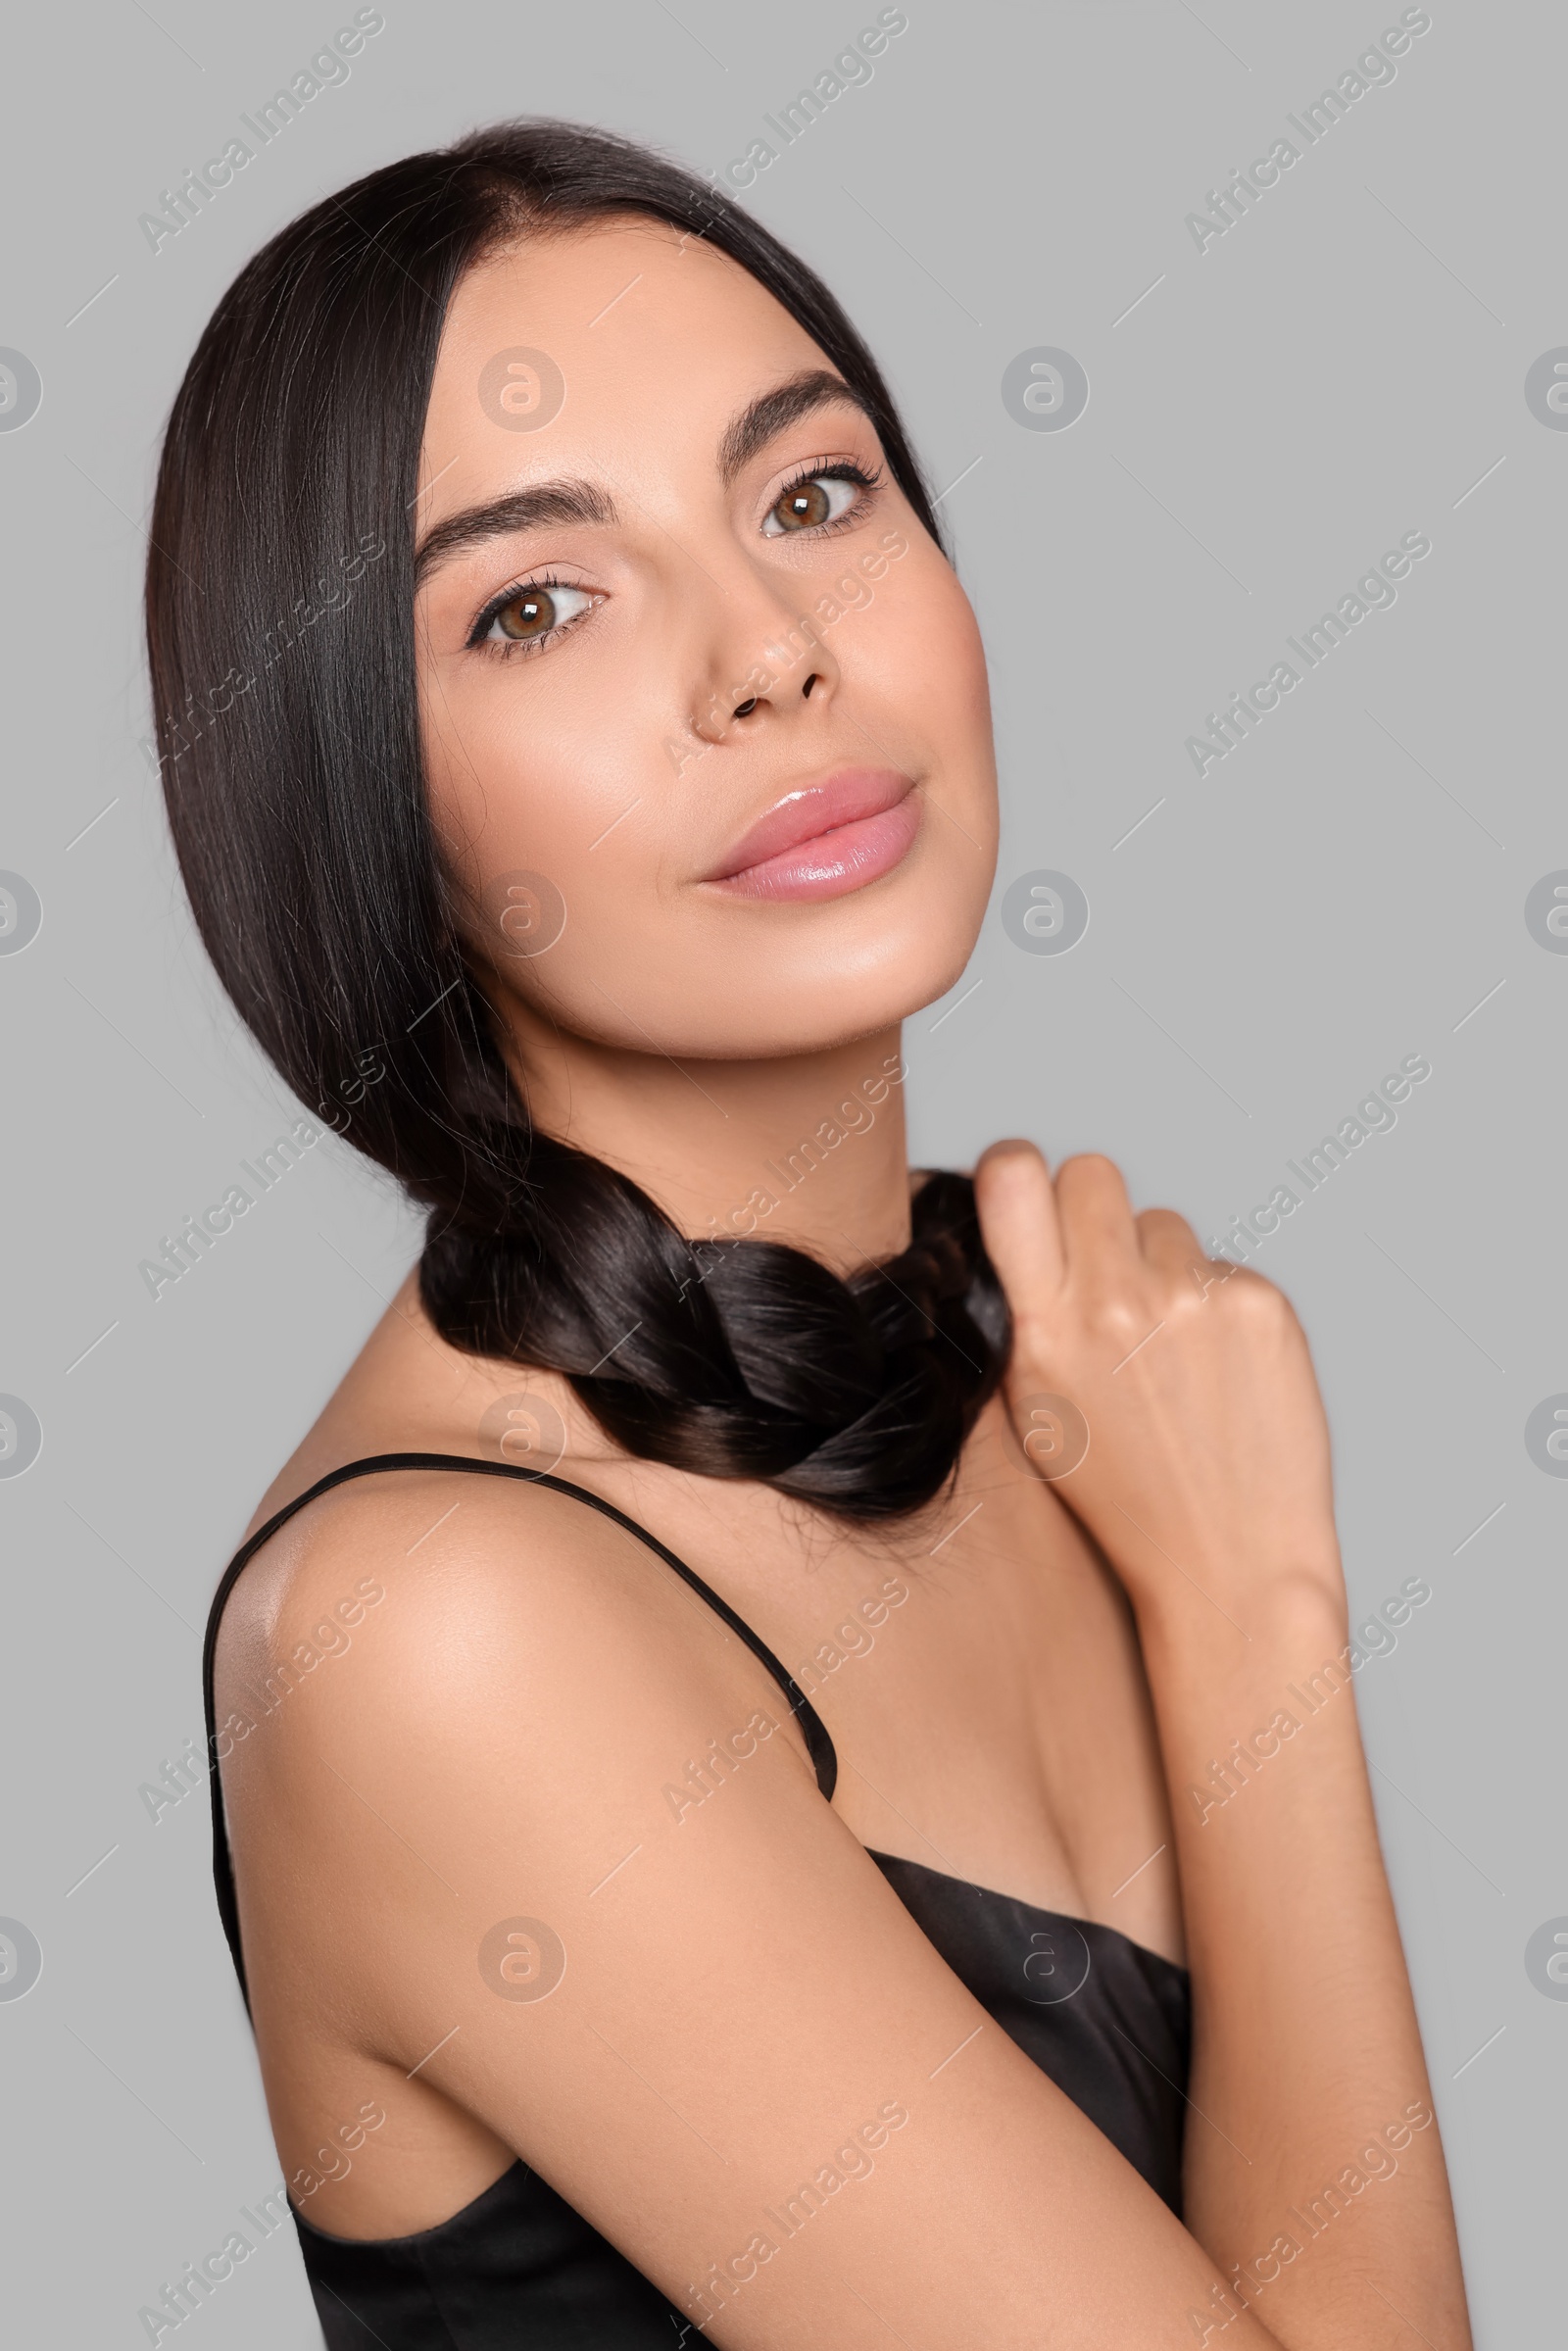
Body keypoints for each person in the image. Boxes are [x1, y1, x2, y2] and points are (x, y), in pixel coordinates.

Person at [148, 121, 1471, 2350]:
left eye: (812, 493)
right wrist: (1256, 1620)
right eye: (535, 603)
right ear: (358, 797)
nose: (764, 652)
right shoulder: (430, 1636)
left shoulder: (1053, 1365)